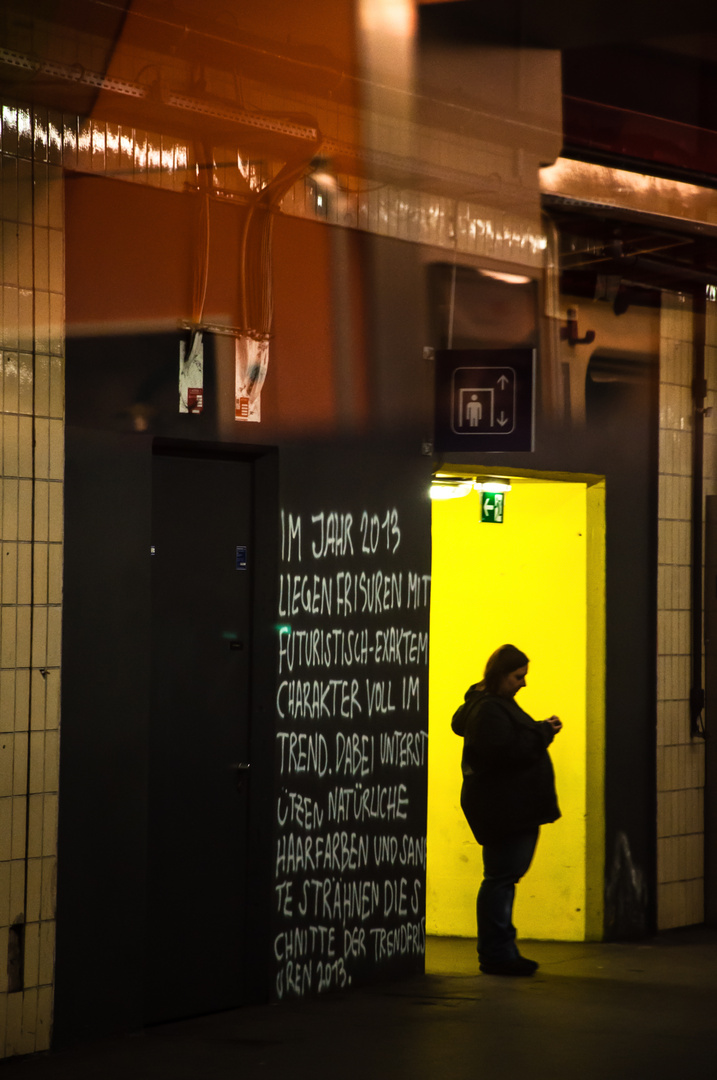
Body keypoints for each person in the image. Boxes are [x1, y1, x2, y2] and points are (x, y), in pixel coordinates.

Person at [452, 644, 562, 976]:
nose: (524, 683)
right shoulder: (489, 710)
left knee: (501, 879)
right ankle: (498, 953)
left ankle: (500, 950)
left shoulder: (491, 706)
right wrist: (543, 731)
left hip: (507, 809)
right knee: (501, 880)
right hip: (508, 810)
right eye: (519, 677)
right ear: (500, 676)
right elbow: (505, 752)